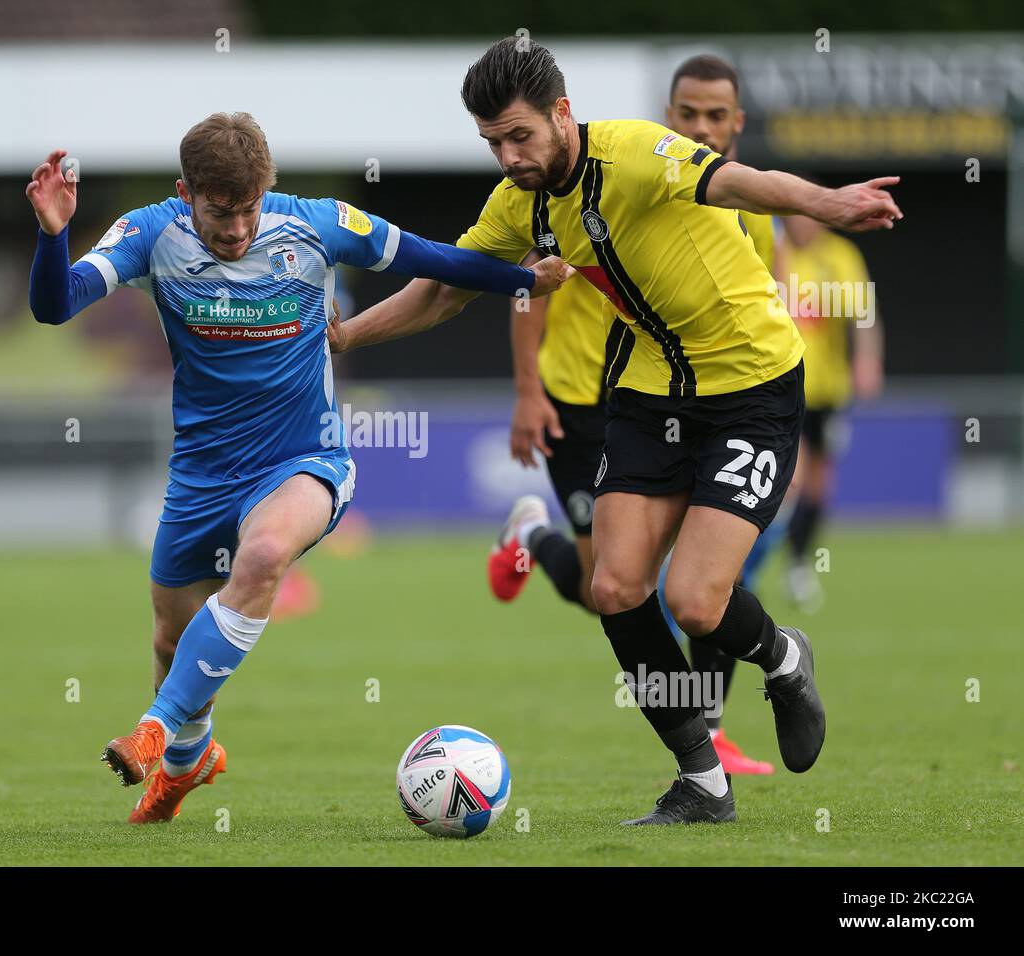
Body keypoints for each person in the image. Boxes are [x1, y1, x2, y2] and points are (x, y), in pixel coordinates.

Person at [329, 38, 902, 825]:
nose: (508, 156)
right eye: (493, 142)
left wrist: (827, 203)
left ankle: (785, 657)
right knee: (612, 586)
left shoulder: (635, 150)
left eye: (519, 135)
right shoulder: (519, 205)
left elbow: (736, 178)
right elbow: (442, 292)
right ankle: (701, 782)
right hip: (645, 397)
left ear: (563, 114)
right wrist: (347, 336)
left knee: (697, 603)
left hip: (751, 390)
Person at [25, 112, 570, 824]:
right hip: (201, 473)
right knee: (172, 638)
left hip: (302, 459)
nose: (236, 229)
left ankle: (154, 730)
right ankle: (190, 762)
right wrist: (52, 233)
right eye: (220, 213)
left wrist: (519, 280)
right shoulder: (151, 233)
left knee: (266, 556)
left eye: (249, 208)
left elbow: (433, 259)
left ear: (267, 190)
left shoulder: (316, 224)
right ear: (186, 193)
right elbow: (54, 305)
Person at [490, 53, 778, 776]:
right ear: (668, 116)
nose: (702, 127)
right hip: (584, 402)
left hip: (683, 405)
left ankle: (708, 734)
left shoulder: (746, 211)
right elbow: (527, 285)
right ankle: (529, 533)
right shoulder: (614, 179)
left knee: (700, 578)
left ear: (738, 124)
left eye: (717, 116)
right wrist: (529, 390)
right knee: (607, 587)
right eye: (688, 115)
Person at [779, 213, 884, 609]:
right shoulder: (776, 253)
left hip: (830, 391)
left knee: (821, 484)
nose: (800, 227)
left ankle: (799, 564)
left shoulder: (840, 256)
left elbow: (865, 315)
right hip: (786, 390)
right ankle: (745, 566)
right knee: (793, 480)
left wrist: (868, 361)